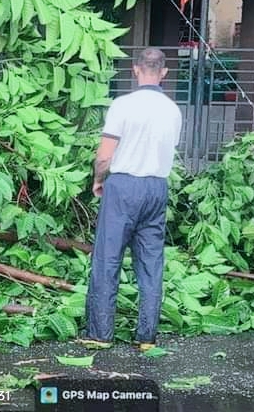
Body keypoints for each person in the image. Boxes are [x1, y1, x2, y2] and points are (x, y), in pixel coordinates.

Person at [82, 47, 182, 352]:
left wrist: (99, 180)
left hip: (123, 186)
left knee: (108, 259)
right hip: (157, 188)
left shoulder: (123, 105)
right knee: (151, 262)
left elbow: (104, 156)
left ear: (136, 70)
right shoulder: (173, 110)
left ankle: (100, 333)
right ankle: (147, 337)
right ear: (163, 73)